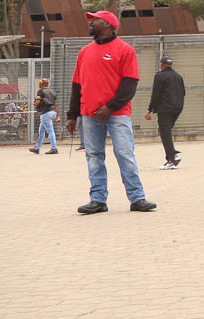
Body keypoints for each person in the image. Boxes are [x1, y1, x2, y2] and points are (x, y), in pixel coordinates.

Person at [66, 11, 156, 215]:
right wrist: (72, 115)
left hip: (117, 115)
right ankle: (97, 200)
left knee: (124, 153)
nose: (90, 22)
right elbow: (76, 85)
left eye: (95, 19)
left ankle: (137, 198)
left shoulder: (125, 50)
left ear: (108, 24)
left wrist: (110, 108)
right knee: (94, 156)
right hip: (89, 115)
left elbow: (129, 85)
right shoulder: (84, 52)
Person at [145, 56, 186, 169]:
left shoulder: (159, 76)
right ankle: (173, 155)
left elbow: (156, 94)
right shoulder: (178, 76)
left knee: (165, 133)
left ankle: (171, 160)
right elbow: (183, 93)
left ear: (161, 65)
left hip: (165, 109)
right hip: (177, 108)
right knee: (167, 132)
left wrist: (150, 110)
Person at [29, 78, 59, 155]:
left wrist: (34, 103)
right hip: (52, 112)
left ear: (42, 84)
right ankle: (37, 148)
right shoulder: (52, 92)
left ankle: (54, 148)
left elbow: (37, 102)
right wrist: (57, 116)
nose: (39, 84)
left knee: (50, 131)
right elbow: (56, 105)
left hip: (45, 113)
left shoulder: (41, 91)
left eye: (40, 83)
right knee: (41, 131)